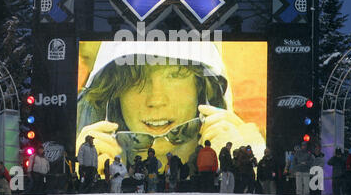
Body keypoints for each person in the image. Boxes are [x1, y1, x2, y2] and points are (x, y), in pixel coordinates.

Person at [76, 42, 266, 176]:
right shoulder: (93, 154)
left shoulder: (248, 148)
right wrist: (82, 174)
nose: (156, 99)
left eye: (175, 75)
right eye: (135, 80)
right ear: (113, 95)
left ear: (203, 88)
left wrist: (248, 167)